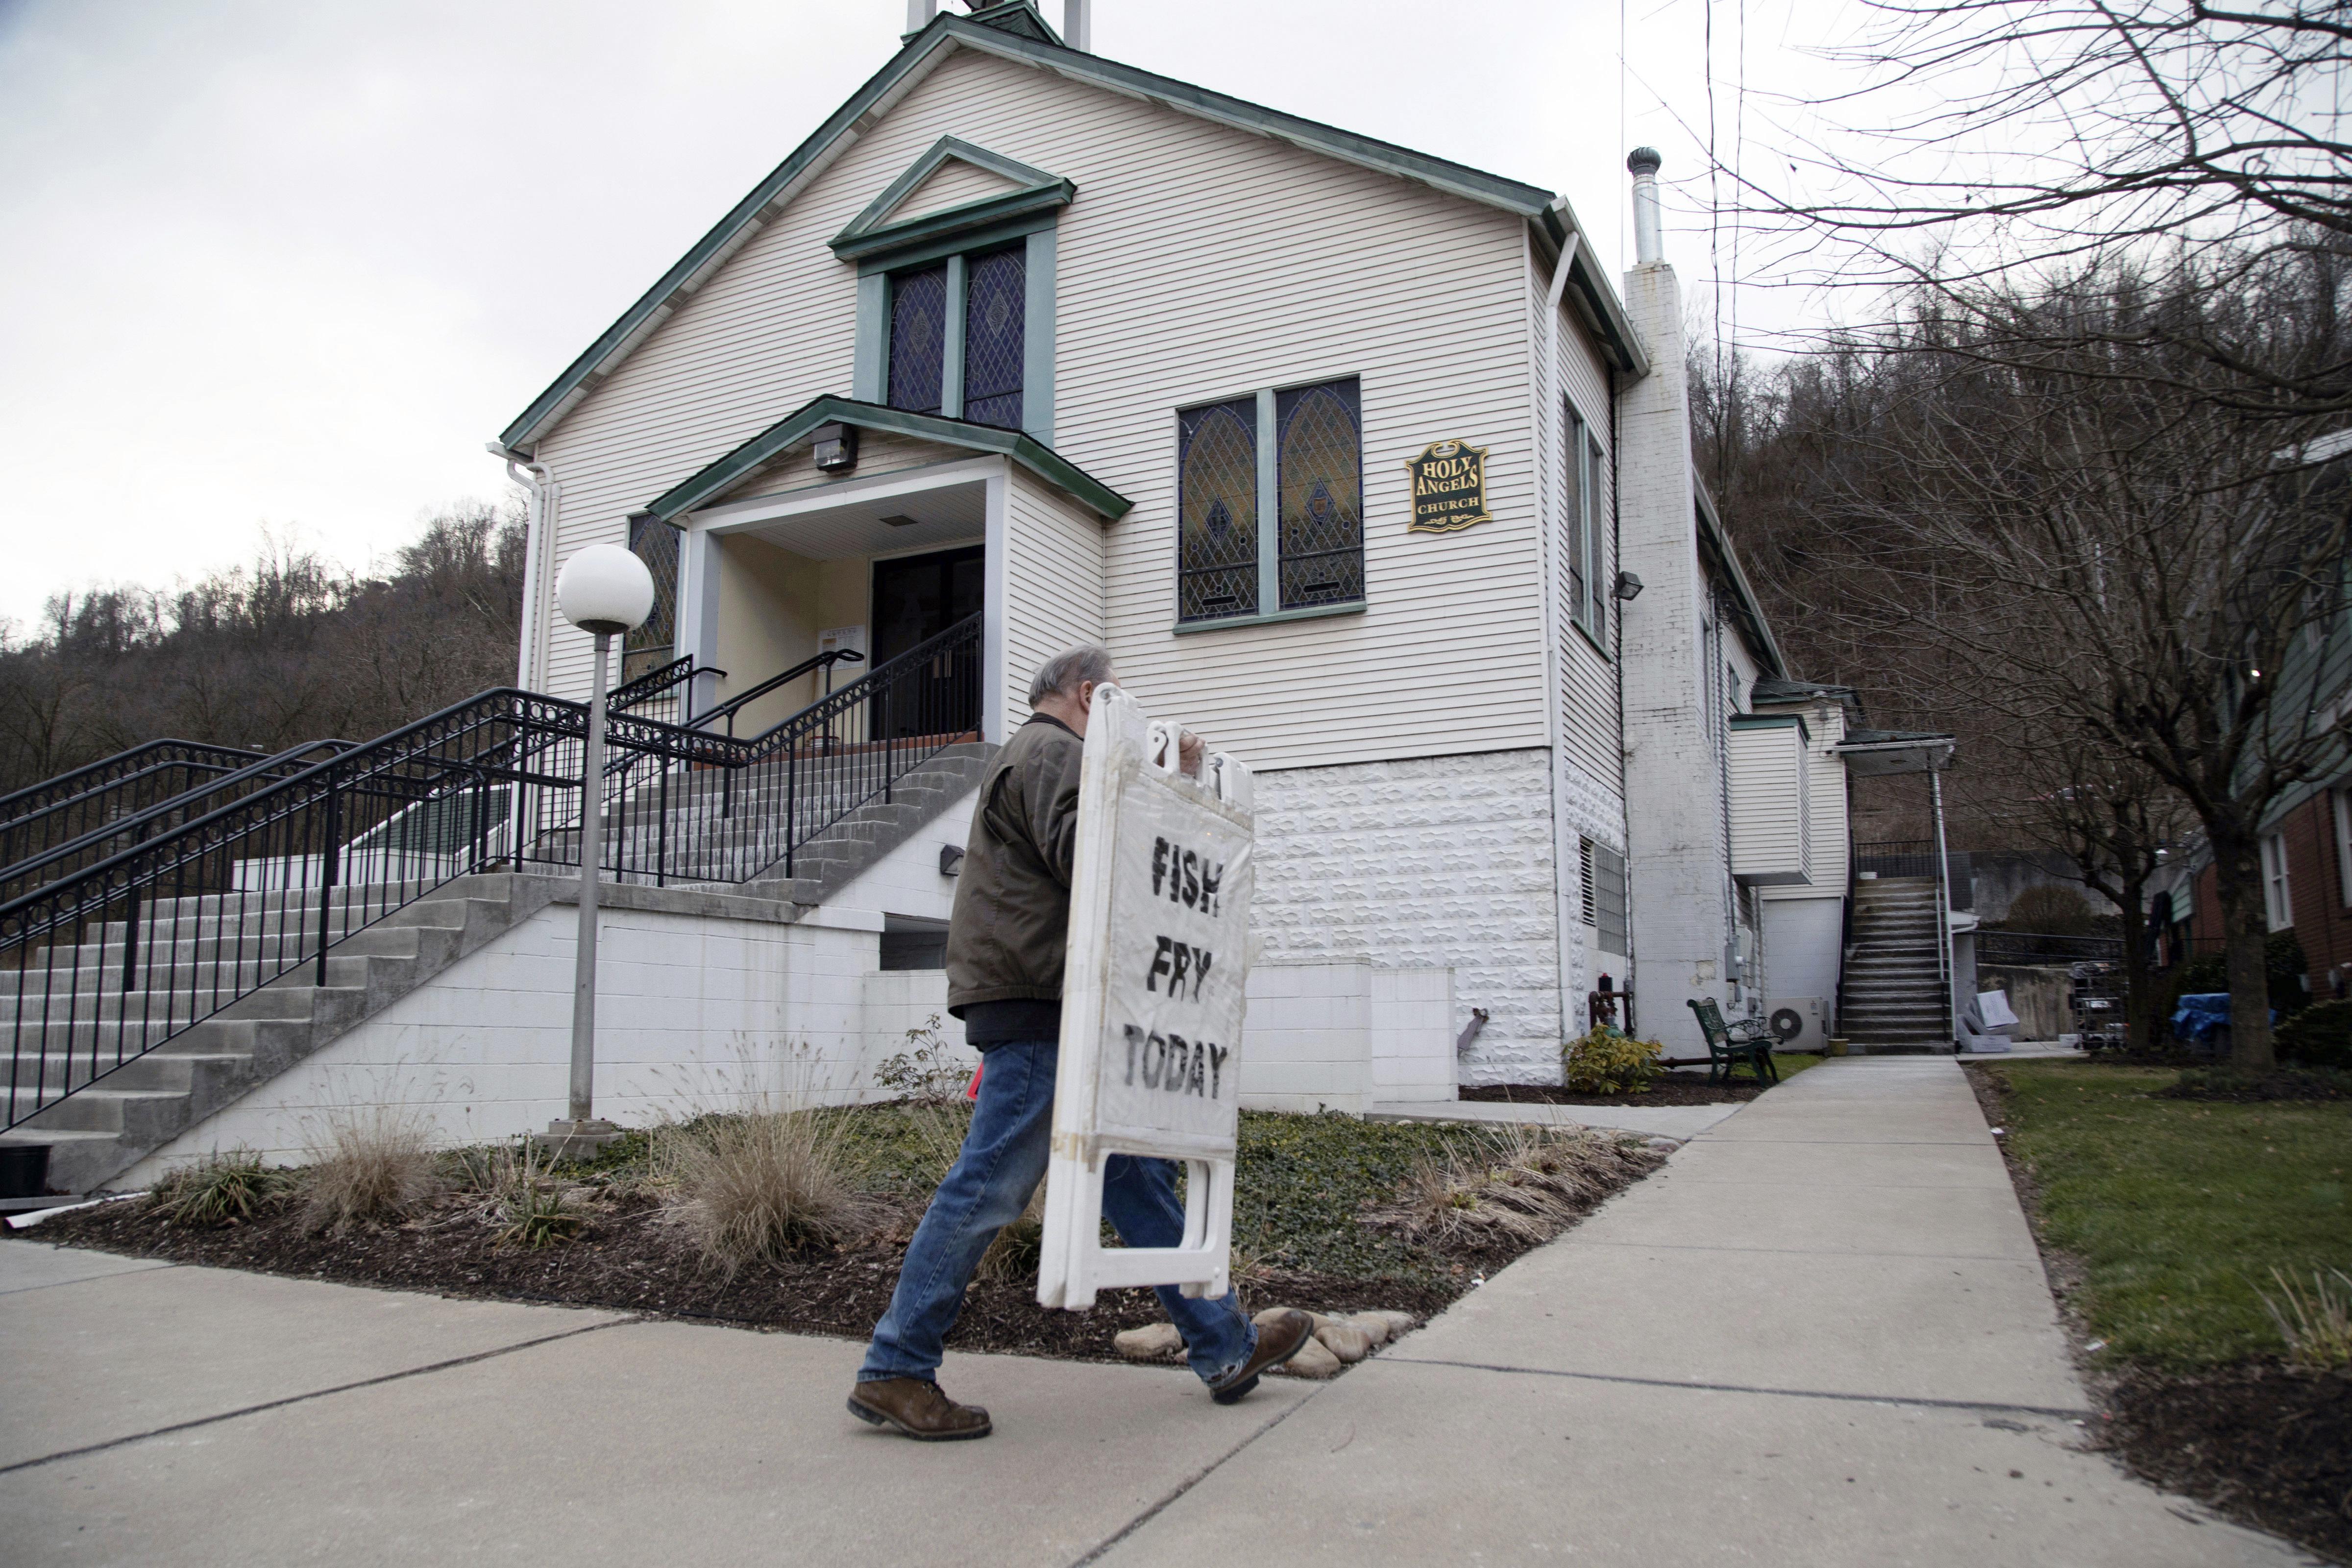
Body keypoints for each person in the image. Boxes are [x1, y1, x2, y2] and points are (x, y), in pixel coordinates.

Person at [849, 644, 1312, 1440]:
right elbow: (1096, 856)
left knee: (1134, 1183)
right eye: (1118, 705)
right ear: (1090, 697)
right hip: (1041, 1000)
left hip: (1048, 995)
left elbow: (1102, 849)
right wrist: (1165, 774)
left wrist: (1164, 773)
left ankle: (1224, 1346)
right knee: (989, 1184)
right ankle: (894, 1365)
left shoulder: (1037, 753)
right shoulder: (1054, 751)